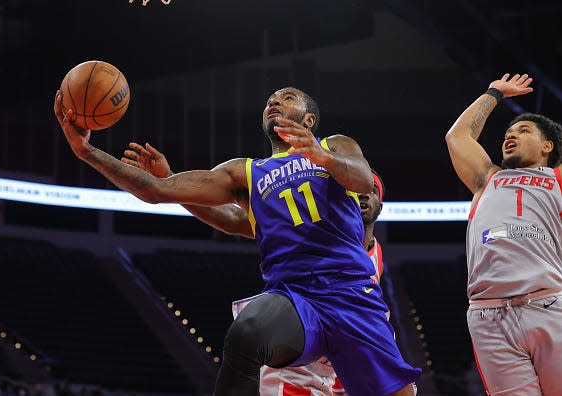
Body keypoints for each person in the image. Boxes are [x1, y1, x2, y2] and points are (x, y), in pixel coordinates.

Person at [55, 86, 421, 395]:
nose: (274, 100)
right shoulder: (245, 171)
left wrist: (320, 155)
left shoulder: (336, 144)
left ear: (309, 119)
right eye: (270, 99)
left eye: (287, 97)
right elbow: (155, 190)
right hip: (295, 298)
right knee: (247, 332)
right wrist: (86, 151)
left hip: (351, 296)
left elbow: (363, 181)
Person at [122, 143, 389, 396]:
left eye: (373, 191)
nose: (365, 194)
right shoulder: (310, 229)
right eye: (356, 189)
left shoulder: (374, 256)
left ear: (380, 206)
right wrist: (170, 179)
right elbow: (231, 218)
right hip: (296, 372)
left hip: (339, 370)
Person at [445, 73, 562, 395]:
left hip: (548, 303)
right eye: (508, 133)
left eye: (524, 131)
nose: (510, 136)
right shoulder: (487, 179)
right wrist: (493, 93)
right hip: (488, 314)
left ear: (547, 146)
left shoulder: (557, 179)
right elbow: (458, 138)